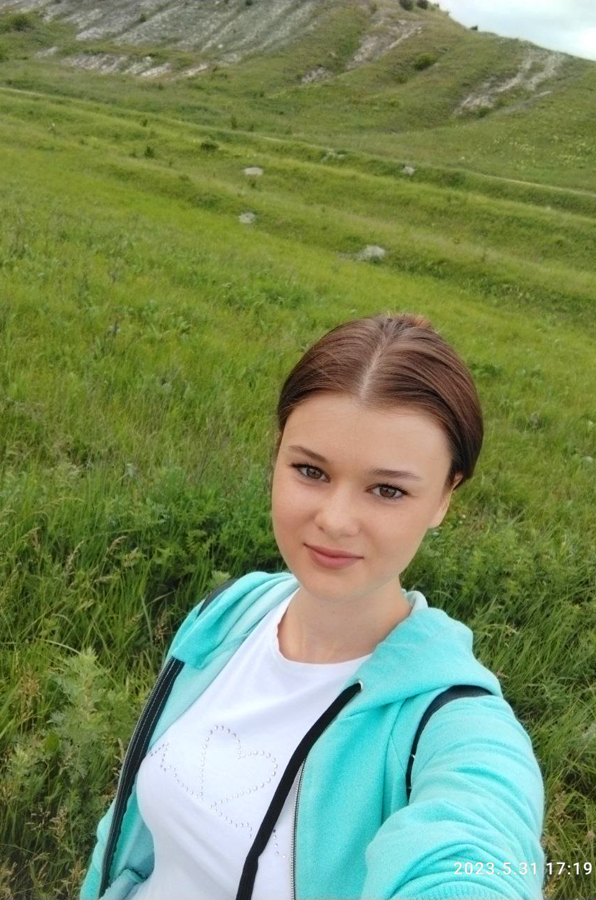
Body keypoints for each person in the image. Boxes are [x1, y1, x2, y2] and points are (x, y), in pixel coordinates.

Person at [80, 312, 545, 900]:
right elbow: (126, 834)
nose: (335, 520)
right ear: (276, 456)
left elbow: (477, 849)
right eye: (310, 470)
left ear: (444, 497)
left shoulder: (452, 724)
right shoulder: (232, 614)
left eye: (388, 490)